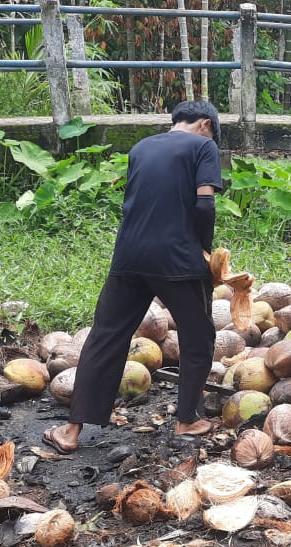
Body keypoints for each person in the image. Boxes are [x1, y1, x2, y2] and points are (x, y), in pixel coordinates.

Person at [43, 101, 225, 454]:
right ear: (205, 124)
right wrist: (204, 250)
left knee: (105, 337)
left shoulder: (141, 148)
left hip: (127, 257)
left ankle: (70, 431)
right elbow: (204, 204)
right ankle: (188, 419)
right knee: (198, 335)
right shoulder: (204, 146)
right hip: (177, 259)